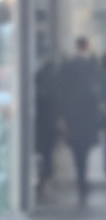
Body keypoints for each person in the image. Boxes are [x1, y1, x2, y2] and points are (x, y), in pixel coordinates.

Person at [59, 40, 104, 205]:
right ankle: (82, 179)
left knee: (77, 151)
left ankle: (81, 178)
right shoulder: (92, 68)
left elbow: (62, 92)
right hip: (87, 118)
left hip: (74, 117)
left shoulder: (69, 67)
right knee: (83, 151)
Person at [37, 54, 61, 197]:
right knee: (47, 154)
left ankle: (44, 179)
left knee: (44, 153)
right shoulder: (55, 82)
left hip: (41, 123)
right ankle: (45, 178)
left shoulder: (38, 78)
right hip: (49, 123)